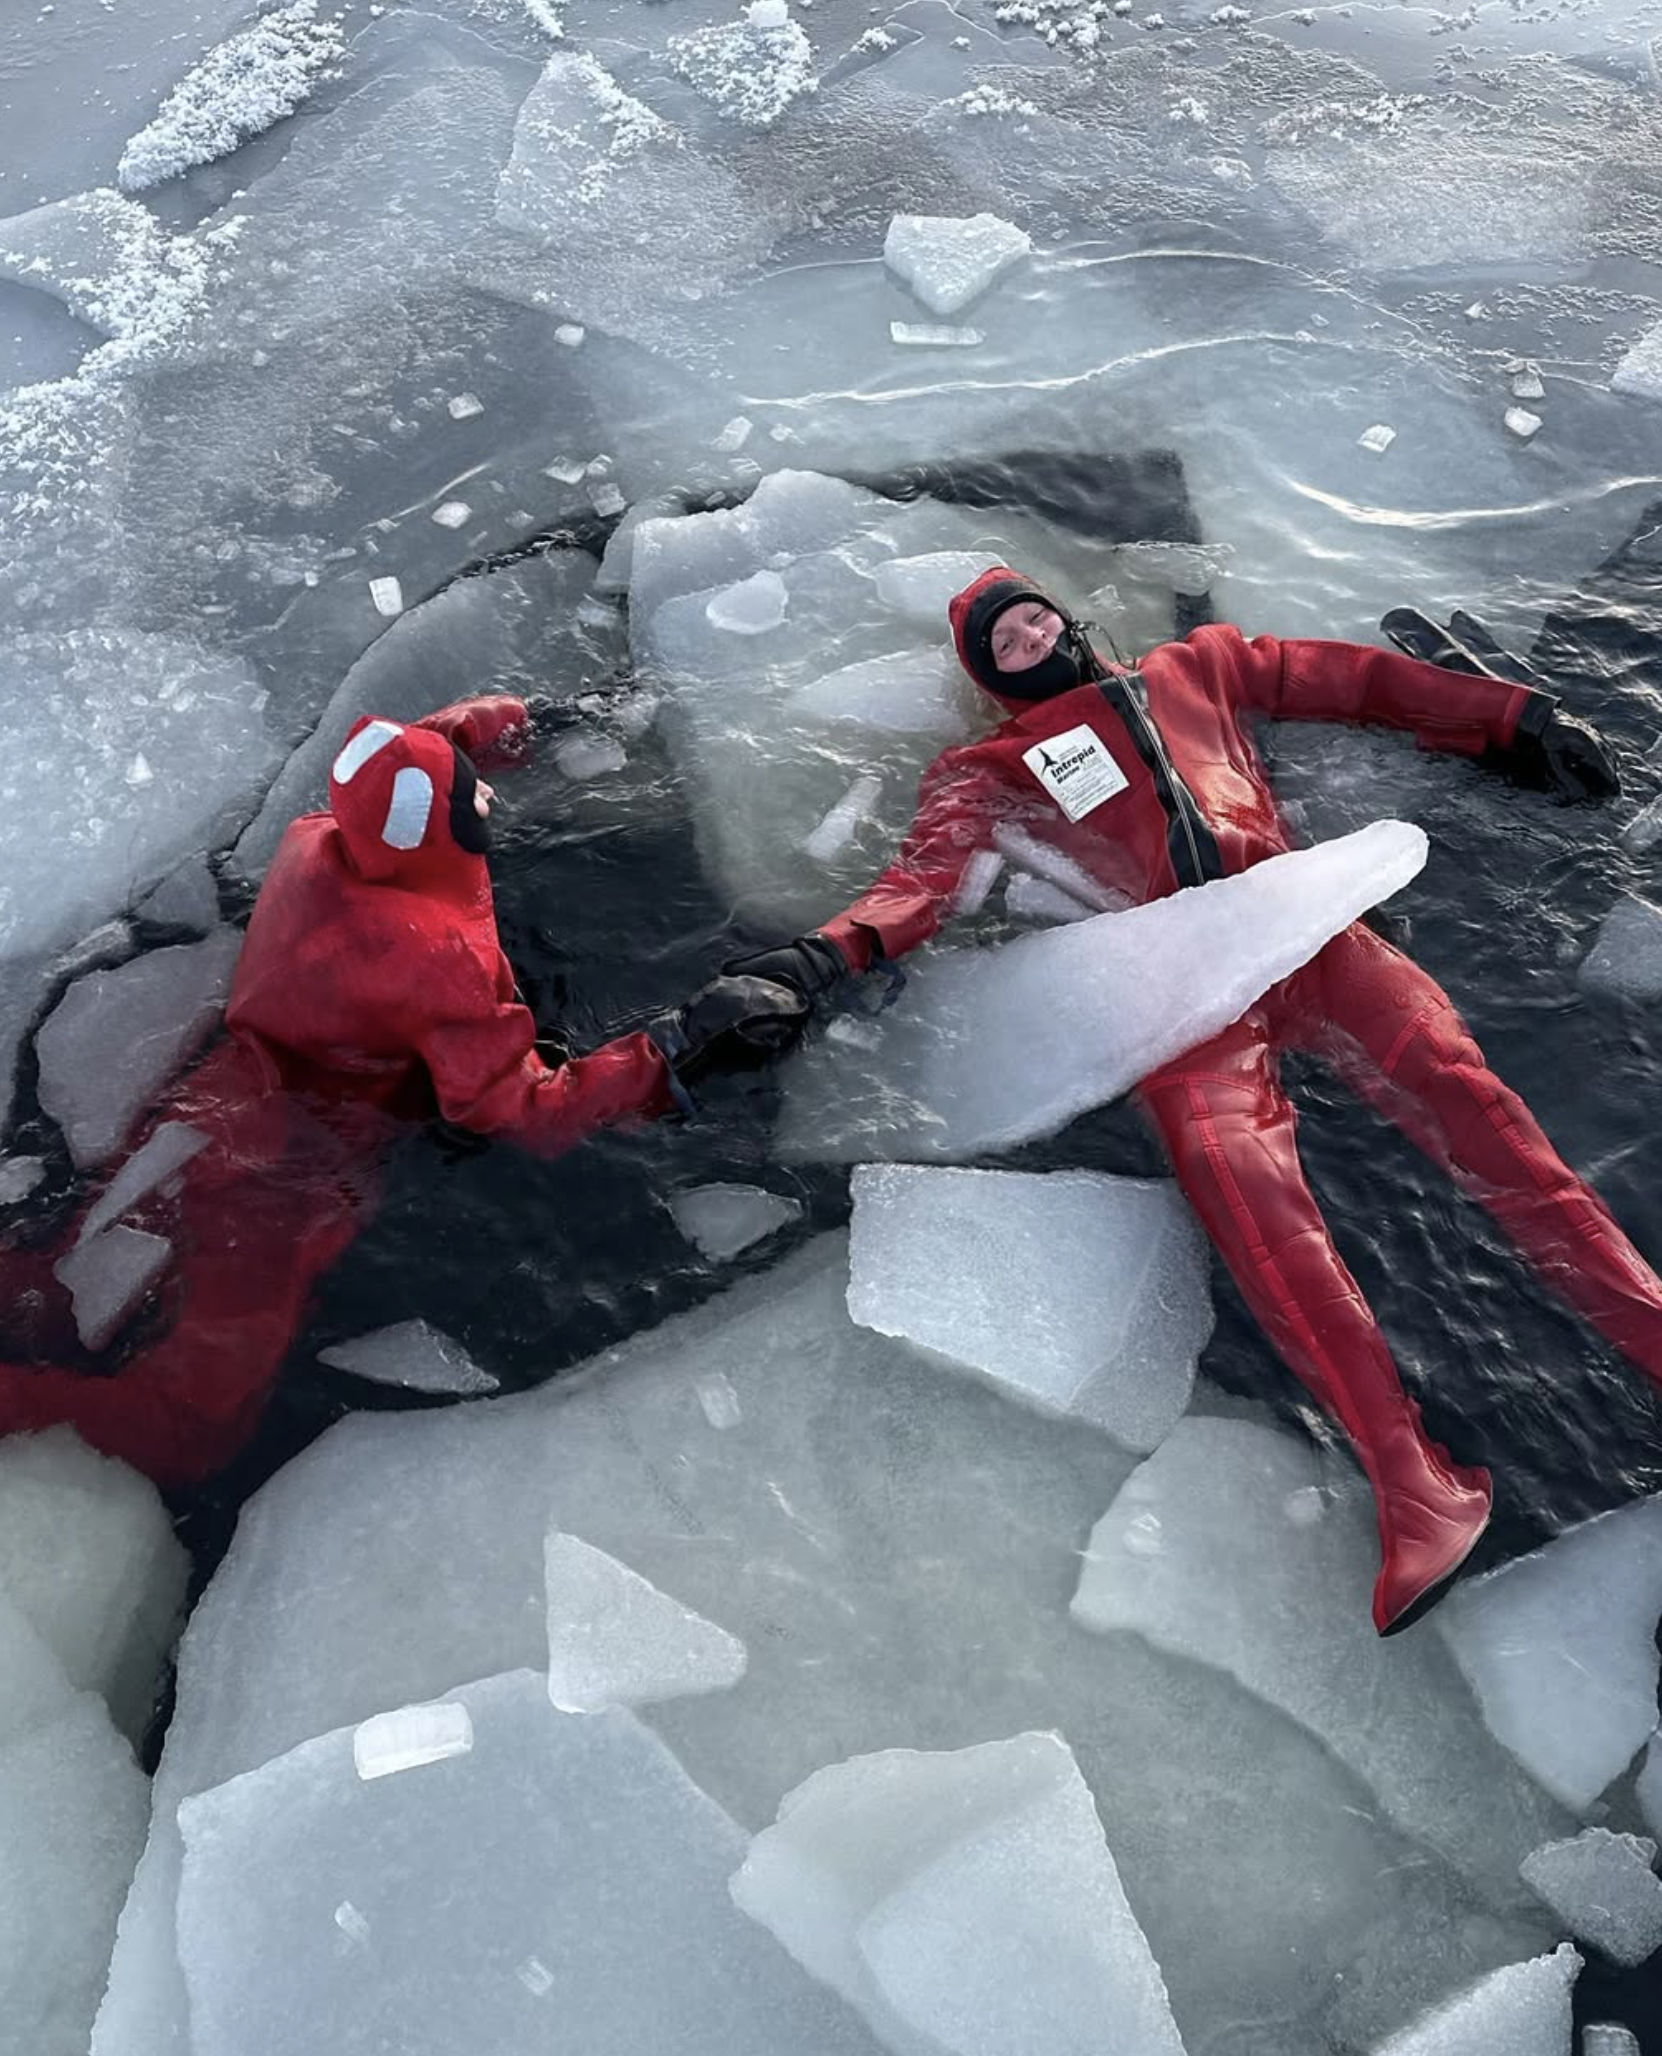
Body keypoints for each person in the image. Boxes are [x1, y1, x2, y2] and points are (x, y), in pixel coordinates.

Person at [727, 569, 1662, 1634]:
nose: (1029, 637)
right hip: (1176, 989)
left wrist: (1512, 715)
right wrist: (817, 960)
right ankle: (1415, 1483)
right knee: (1252, 1209)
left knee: (1486, 1122)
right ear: (992, 677)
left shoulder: (1198, 669)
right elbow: (920, 883)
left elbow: (1356, 681)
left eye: (1033, 617)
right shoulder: (987, 768)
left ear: (1065, 616)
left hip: (1311, 935)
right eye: (1006, 643)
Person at [0, 695, 800, 1488]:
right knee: (196, 1422)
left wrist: (513, 719)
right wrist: (670, 1053)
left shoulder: (317, 837)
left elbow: (406, 759)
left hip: (218, 1097)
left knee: (60, 1271)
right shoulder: (432, 956)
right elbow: (525, 1110)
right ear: (435, 828)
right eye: (470, 799)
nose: (485, 802)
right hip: (292, 1162)